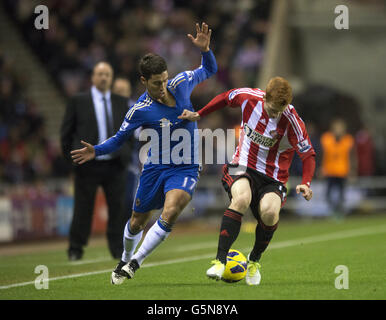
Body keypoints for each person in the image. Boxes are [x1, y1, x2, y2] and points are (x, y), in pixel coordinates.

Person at [70, 22, 217, 284]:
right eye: (156, 83)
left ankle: (136, 262)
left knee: (172, 210)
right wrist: (97, 150)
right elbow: (118, 139)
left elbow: (209, 69)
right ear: (143, 81)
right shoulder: (140, 110)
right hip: (155, 168)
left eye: (164, 80)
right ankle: (125, 259)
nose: (163, 87)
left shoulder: (181, 82)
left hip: (186, 164)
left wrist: (206, 50)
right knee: (137, 222)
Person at [179, 77, 316, 285]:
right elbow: (225, 97)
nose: (275, 115)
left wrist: (306, 183)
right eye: (272, 110)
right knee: (241, 199)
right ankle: (219, 261)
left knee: (270, 213)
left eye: (280, 110)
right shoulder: (249, 97)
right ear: (265, 98)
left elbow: (308, 155)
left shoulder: (293, 121)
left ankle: (254, 261)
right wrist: (200, 114)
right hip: (242, 165)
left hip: (274, 177)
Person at [60, 62, 134, 261]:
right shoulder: (78, 101)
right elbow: (66, 133)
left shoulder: (121, 101)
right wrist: (71, 161)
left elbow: (130, 131)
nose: (103, 78)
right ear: (93, 77)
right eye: (100, 74)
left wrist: (126, 152)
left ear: (111, 78)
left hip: (115, 163)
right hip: (87, 165)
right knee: (83, 208)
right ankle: (75, 249)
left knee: (117, 210)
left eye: (107, 74)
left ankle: (118, 250)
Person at [320, 118, 355, 219]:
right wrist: (321, 168)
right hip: (329, 171)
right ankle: (333, 211)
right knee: (328, 195)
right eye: (336, 128)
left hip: (342, 172)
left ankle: (339, 213)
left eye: (340, 128)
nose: (338, 130)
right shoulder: (326, 138)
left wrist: (352, 170)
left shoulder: (348, 140)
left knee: (341, 196)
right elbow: (322, 154)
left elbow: (352, 156)